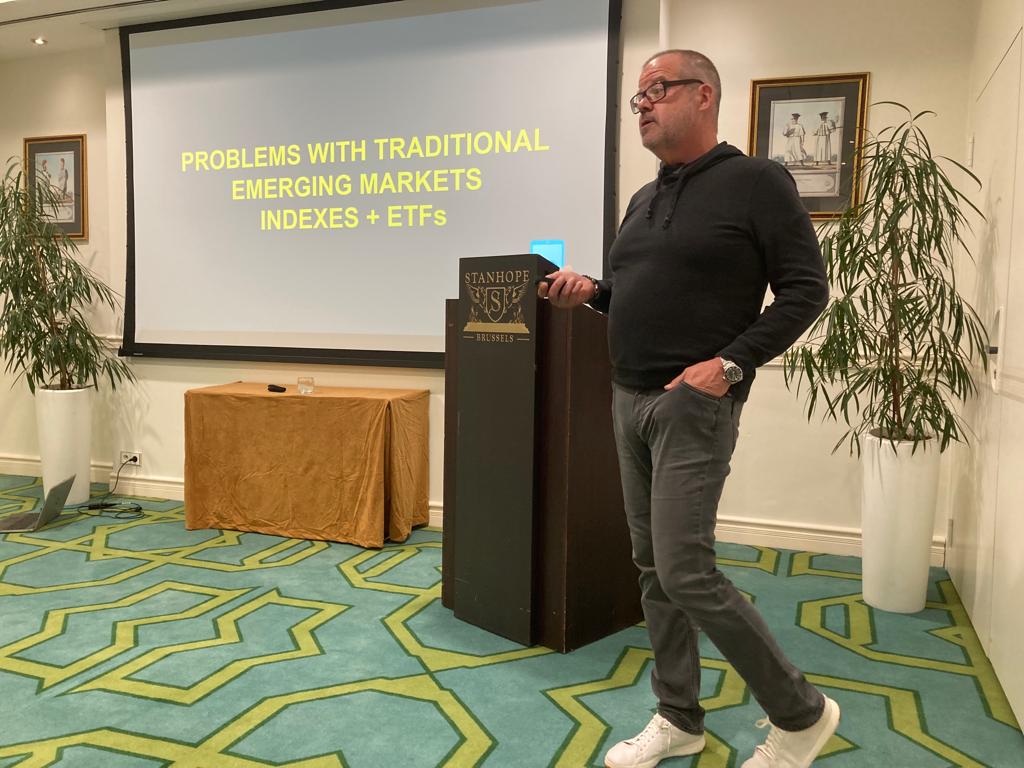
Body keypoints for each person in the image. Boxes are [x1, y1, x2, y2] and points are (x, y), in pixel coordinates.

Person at [538, 50, 838, 768]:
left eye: (657, 89)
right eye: (637, 95)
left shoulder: (756, 181)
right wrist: (594, 292)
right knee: (652, 569)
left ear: (704, 96)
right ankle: (679, 715)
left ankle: (801, 715)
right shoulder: (644, 197)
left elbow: (806, 290)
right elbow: (638, 290)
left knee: (685, 571)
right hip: (628, 398)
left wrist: (730, 364)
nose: (642, 104)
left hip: (691, 407)